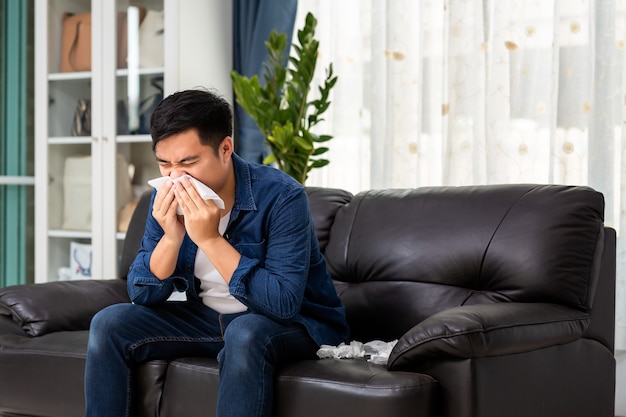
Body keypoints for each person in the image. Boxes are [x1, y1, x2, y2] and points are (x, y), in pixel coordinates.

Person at [83, 88, 350, 417]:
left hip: (298, 323)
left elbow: (282, 304)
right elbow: (141, 292)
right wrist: (170, 237)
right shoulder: (165, 195)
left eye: (189, 162)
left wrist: (210, 239)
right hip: (209, 319)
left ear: (225, 149)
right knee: (109, 323)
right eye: (164, 163)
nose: (175, 177)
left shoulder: (282, 197)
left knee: (245, 331)